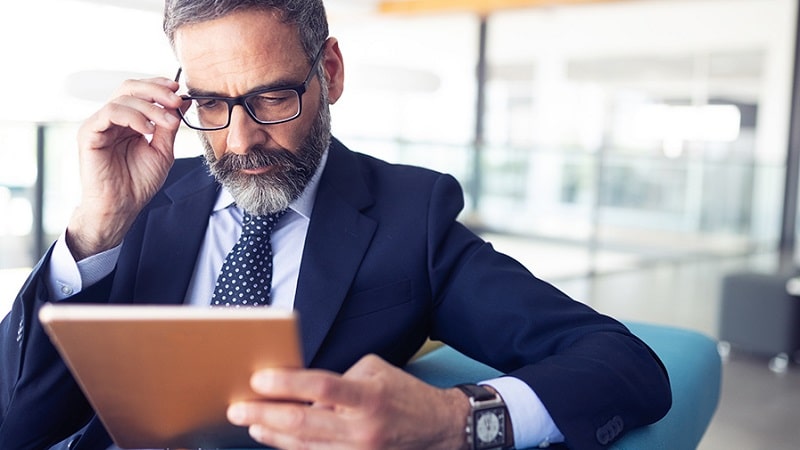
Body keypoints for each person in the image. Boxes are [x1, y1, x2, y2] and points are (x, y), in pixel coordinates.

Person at [0, 1, 671, 449]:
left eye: (271, 96)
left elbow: (624, 365)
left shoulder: (411, 218)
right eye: (209, 102)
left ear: (330, 72)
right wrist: (96, 229)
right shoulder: (138, 203)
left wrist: (450, 419)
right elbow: (18, 421)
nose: (239, 140)